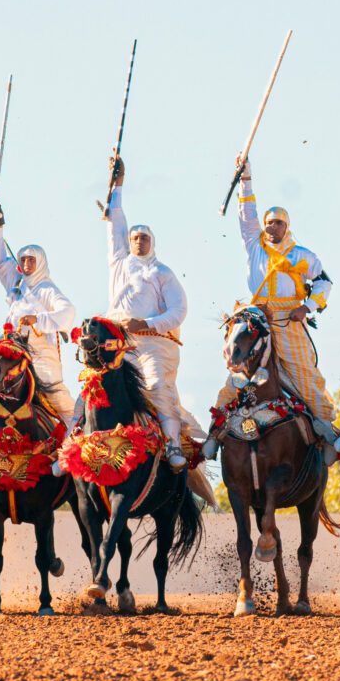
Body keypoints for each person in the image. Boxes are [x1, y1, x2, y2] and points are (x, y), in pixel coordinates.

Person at [230, 157, 338, 447]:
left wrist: (307, 307)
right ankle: (220, 431)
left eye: (277, 223)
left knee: (304, 372)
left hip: (288, 318)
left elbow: (324, 282)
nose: (271, 227)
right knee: (236, 365)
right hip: (257, 317)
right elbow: (246, 215)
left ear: (286, 226)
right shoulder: (255, 245)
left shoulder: (303, 255)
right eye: (268, 223)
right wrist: (245, 180)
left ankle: (325, 426)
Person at [104, 160, 204, 467]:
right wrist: (117, 185)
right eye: (134, 238)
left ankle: (173, 445)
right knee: (95, 387)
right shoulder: (119, 262)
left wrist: (146, 324)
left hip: (154, 346)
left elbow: (179, 310)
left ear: (152, 242)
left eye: (144, 238)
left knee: (157, 385)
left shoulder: (162, 272)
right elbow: (115, 222)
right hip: (119, 342)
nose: (137, 241)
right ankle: (73, 440)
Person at [0, 202, 78, 420]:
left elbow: (68, 311)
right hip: (12, 352)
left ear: (40, 263)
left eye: (31, 260)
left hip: (40, 352)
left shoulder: (47, 287)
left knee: (58, 398)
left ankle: (74, 436)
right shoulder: (16, 282)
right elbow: (1, 260)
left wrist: (37, 319)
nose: (26, 263)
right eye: (23, 259)